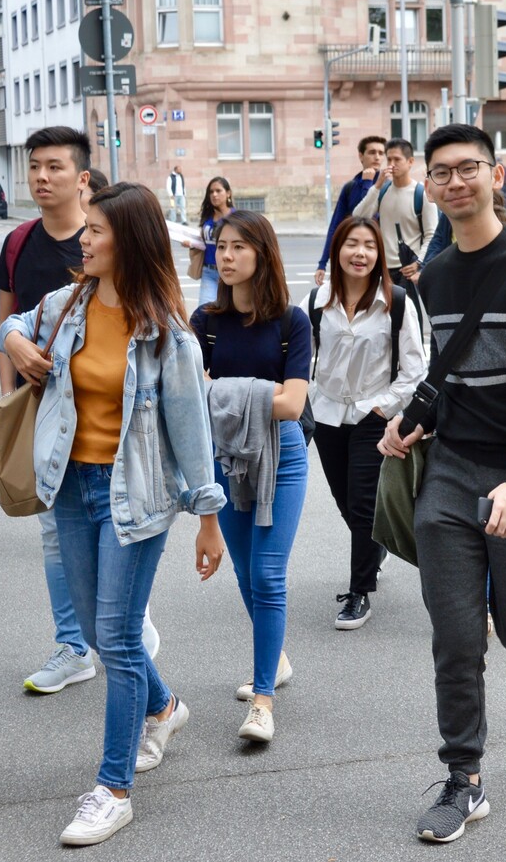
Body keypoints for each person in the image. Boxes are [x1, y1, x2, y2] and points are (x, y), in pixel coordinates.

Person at [379, 124, 506, 843]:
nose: (456, 181)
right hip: (450, 472)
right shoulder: (432, 276)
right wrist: (409, 419)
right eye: (443, 172)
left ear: (497, 175)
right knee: (457, 636)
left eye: (470, 167)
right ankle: (463, 777)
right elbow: (446, 374)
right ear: (430, 185)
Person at [0, 181, 225, 846]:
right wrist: (16, 345)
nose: (84, 240)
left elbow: (193, 435)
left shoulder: (166, 334)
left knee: (118, 637)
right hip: (70, 487)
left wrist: (207, 518)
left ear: (127, 239)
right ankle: (164, 706)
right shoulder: (68, 305)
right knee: (100, 635)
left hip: (138, 495)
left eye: (96, 231)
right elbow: (13, 322)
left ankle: (113, 787)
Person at [0, 128, 159, 694]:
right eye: (34, 166)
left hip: (110, 434)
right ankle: (75, 644)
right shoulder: (18, 242)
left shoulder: (107, 242)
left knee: (109, 547)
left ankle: (116, 638)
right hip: (45, 416)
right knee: (55, 539)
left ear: (82, 177)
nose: (42, 177)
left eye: (55, 167)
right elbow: (10, 318)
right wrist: (9, 386)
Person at [191, 210, 311, 744]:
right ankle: (276, 657)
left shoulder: (291, 320)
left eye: (240, 246)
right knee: (243, 572)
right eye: (221, 246)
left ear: (262, 253)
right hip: (224, 459)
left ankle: (263, 700)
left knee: (267, 574)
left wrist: (221, 387)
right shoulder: (205, 322)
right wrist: (250, 392)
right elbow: (188, 399)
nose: (228, 256)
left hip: (281, 459)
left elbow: (292, 404)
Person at [304, 215, 426, 629]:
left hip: (373, 417)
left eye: (369, 246)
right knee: (345, 502)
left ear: (379, 255)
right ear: (337, 250)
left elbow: (414, 369)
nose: (360, 253)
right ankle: (373, 550)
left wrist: (383, 405)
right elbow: (305, 359)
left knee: (362, 503)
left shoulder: (397, 301)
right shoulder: (316, 302)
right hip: (327, 415)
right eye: (352, 244)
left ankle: (360, 592)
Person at [352, 138, 439, 322]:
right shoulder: (383, 191)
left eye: (397, 160)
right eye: (389, 160)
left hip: (407, 269)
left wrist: (418, 263)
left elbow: (432, 234)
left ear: (410, 162)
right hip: (382, 269)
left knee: (410, 321)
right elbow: (359, 216)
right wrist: (377, 185)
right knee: (382, 321)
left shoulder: (421, 193)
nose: (391, 165)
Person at [316, 135, 386, 278]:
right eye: (372, 152)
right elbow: (336, 225)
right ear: (361, 156)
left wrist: (369, 183)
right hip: (353, 257)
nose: (377, 157)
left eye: (381, 153)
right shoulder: (350, 187)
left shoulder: (387, 186)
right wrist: (323, 263)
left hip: (378, 256)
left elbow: (369, 218)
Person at [192, 176, 234, 307]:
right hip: (209, 271)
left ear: (228, 193)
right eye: (211, 192)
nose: (214, 195)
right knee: (204, 310)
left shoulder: (236, 217)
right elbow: (204, 243)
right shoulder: (208, 217)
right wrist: (192, 243)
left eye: (218, 191)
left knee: (230, 311)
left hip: (230, 271)